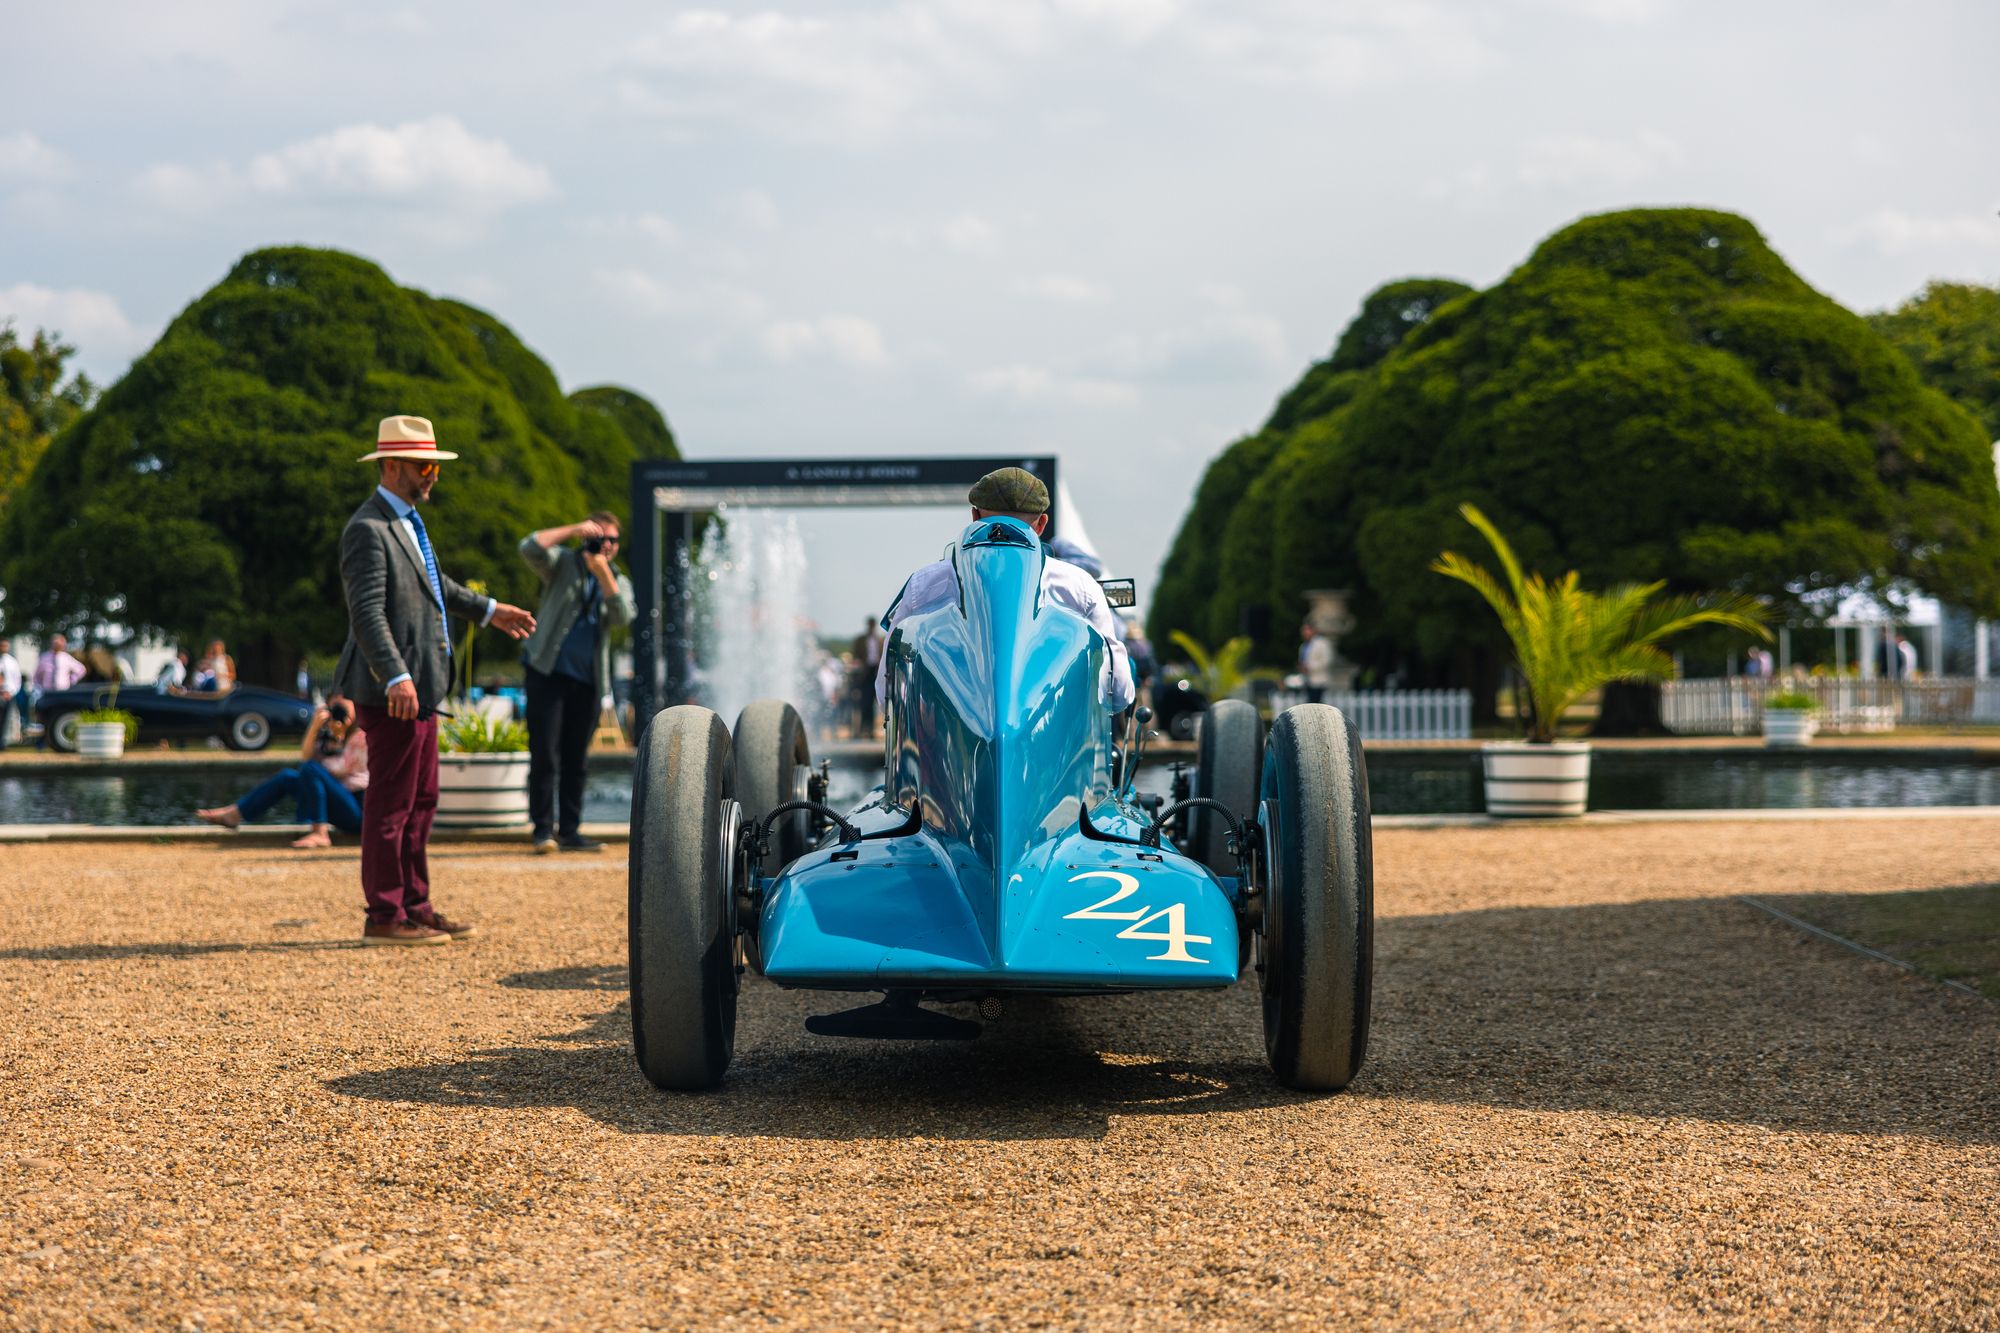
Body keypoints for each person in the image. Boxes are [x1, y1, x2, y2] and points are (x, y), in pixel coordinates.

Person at [333, 414, 536, 946]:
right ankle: (385, 915)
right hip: (395, 691)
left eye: (435, 466)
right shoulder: (367, 528)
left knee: (421, 802)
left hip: (418, 690)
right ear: (391, 466)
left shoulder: (404, 523)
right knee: (392, 806)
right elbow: (367, 614)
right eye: (425, 466)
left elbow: (435, 585)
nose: (433, 476)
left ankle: (414, 905)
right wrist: (395, 675)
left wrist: (490, 610)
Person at [877, 467, 1134, 711]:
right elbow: (1119, 690)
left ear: (975, 517)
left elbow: (885, 688)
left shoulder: (923, 585)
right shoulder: (1081, 587)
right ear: (1042, 524)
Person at [516, 511, 635, 855]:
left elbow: (623, 616)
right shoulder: (564, 564)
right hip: (547, 672)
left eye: (612, 540)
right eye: (600, 538)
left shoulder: (617, 578)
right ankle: (543, 831)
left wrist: (603, 575)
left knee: (576, 758)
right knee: (545, 754)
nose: (606, 546)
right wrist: (572, 530)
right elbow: (529, 547)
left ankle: (570, 830)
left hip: (588, 681)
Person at [195, 697, 369, 848]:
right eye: (334, 707)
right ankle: (234, 814)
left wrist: (339, 737)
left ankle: (320, 833)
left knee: (310, 769)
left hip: (357, 811)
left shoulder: (361, 736)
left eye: (343, 706)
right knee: (287, 777)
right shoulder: (330, 736)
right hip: (340, 802)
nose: (338, 711)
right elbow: (305, 757)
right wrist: (314, 727)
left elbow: (334, 769)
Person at [851, 617, 885, 736]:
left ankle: (870, 729)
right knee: (865, 702)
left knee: (878, 699)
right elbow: (855, 655)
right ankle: (864, 728)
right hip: (865, 673)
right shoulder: (860, 640)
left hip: (876, 671)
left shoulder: (880, 639)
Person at [1300, 622, 1333, 704]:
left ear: (1313, 630)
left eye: (1307, 630)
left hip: (1319, 681)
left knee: (1318, 705)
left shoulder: (1322, 643)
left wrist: (1309, 667)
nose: (1305, 632)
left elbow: (1326, 660)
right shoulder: (1303, 646)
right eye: (1303, 630)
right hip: (1307, 680)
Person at [0, 638, 20, 749]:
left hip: (9, 695)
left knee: (6, 720)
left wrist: (11, 692)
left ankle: (2, 743)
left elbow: (17, 681)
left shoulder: (12, 662)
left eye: (5, 645)